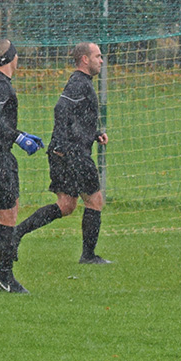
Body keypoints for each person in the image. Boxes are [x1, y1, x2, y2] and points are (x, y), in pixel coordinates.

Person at [15, 42, 111, 264]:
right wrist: (62, 145)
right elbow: (61, 109)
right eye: (97, 56)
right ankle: (88, 255)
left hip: (67, 150)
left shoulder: (81, 82)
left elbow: (76, 118)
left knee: (66, 205)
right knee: (95, 201)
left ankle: (16, 233)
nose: (101, 60)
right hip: (72, 153)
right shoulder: (79, 83)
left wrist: (94, 134)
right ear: (85, 60)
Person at [0, 39, 44, 294]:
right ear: (12, 58)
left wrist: (21, 134)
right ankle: (4, 276)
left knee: (9, 211)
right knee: (7, 216)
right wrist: (17, 137)